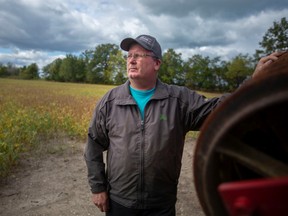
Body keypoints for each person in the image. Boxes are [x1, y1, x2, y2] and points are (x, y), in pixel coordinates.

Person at [84, 34, 284, 216]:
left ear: (156, 63)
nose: (132, 60)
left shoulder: (178, 99)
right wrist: (98, 188)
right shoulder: (111, 102)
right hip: (120, 202)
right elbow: (93, 145)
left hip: (161, 203)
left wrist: (252, 83)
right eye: (129, 56)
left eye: (140, 55)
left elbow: (218, 110)